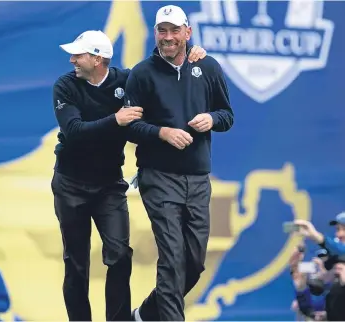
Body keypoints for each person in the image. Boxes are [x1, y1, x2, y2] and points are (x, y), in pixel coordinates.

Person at [52, 29, 207, 321]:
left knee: (120, 255)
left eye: (78, 54)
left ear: (98, 59)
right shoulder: (65, 85)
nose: (72, 59)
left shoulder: (125, 81)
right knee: (76, 263)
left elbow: (159, 69)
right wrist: (116, 119)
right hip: (70, 185)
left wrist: (193, 56)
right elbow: (73, 132)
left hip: (109, 186)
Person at [124, 5, 234, 321]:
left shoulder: (207, 67)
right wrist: (162, 132)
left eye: (175, 30)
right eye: (162, 30)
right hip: (158, 177)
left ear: (187, 33)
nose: (168, 37)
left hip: (198, 179)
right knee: (172, 258)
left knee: (194, 263)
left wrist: (211, 119)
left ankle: (145, 314)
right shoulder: (142, 73)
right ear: (156, 33)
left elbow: (227, 115)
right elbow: (129, 126)